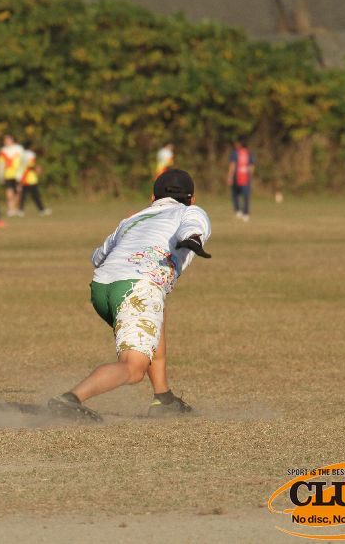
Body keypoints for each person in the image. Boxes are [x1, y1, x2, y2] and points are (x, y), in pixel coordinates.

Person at [47, 169, 211, 421]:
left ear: (152, 198)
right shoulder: (190, 211)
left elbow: (98, 256)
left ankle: (164, 398)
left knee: (156, 317)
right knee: (133, 369)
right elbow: (192, 227)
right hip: (137, 287)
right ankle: (70, 400)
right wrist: (192, 239)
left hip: (102, 288)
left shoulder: (132, 219)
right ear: (193, 199)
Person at [18, 146, 51, 216]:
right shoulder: (30, 154)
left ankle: (20, 210)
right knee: (35, 196)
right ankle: (41, 210)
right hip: (29, 179)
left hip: (24, 178)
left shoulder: (22, 154)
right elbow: (30, 166)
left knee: (24, 196)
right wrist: (36, 168)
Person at [0, 134, 24, 217]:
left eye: (8, 140)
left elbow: (23, 162)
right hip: (7, 175)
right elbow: (1, 164)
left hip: (17, 175)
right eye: (5, 140)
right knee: (9, 193)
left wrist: (21, 173)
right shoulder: (2, 150)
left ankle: (16, 208)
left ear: (12, 140)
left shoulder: (19, 148)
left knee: (18, 192)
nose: (6, 142)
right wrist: (0, 175)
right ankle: (10, 209)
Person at [228, 138, 254, 221]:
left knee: (235, 194)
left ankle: (238, 211)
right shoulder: (249, 152)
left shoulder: (235, 152)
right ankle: (245, 213)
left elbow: (232, 165)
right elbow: (251, 166)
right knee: (245, 196)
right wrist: (250, 176)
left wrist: (230, 176)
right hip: (246, 177)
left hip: (237, 177)